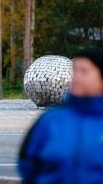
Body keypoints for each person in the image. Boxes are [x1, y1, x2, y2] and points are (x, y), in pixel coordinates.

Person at [18, 47, 103, 184]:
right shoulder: (50, 119)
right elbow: (27, 162)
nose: (76, 77)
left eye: (84, 71)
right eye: (74, 70)